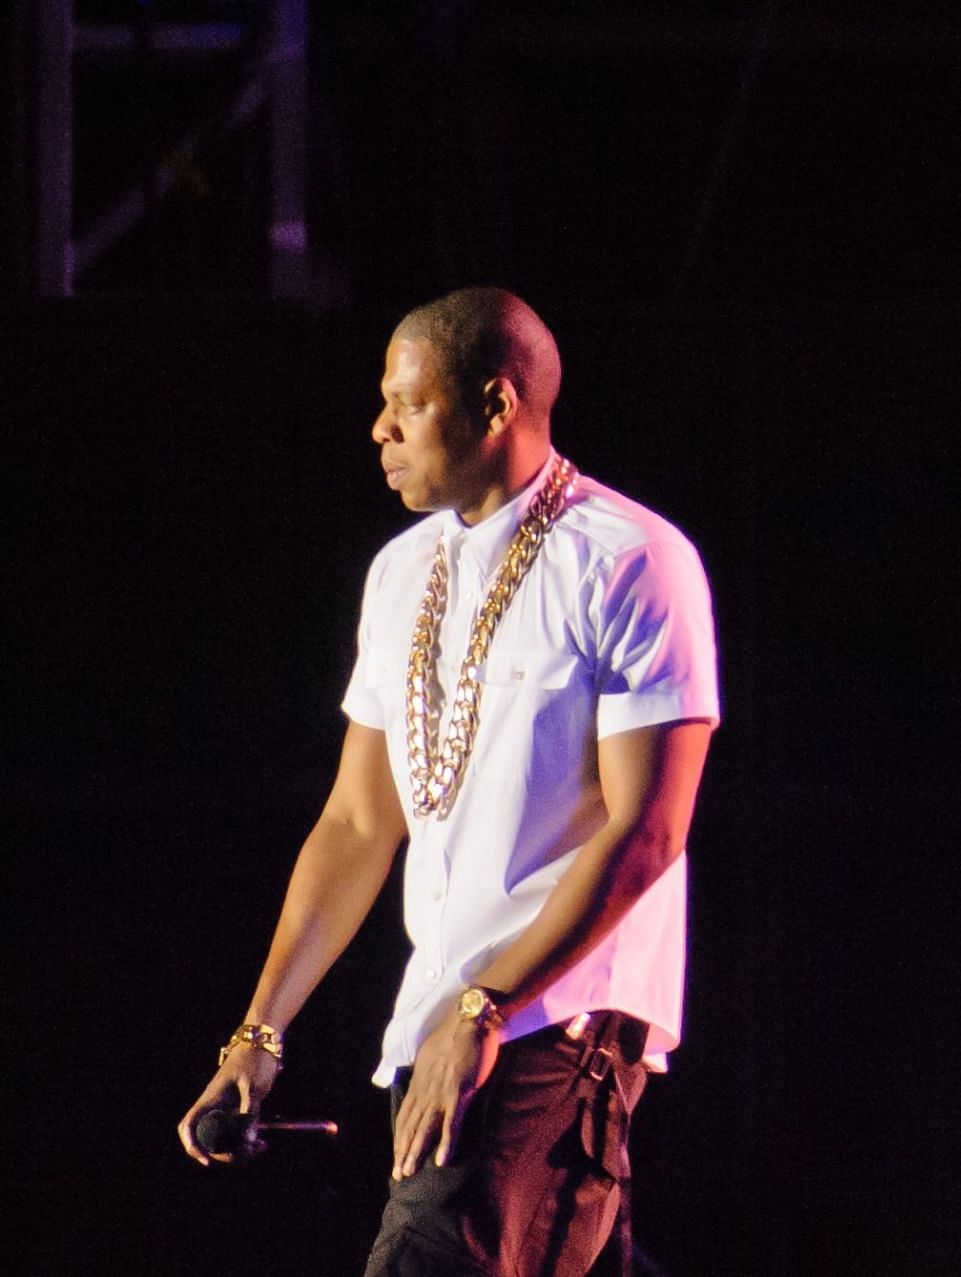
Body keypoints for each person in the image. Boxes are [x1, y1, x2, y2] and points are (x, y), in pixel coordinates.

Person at [178, 287, 720, 1276]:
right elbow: (355, 820)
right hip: (441, 1022)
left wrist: (487, 1007)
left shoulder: (632, 560)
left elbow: (649, 829)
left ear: (496, 405)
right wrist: (261, 1028)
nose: (380, 426)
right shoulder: (399, 573)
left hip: (552, 1021)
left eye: (408, 402)